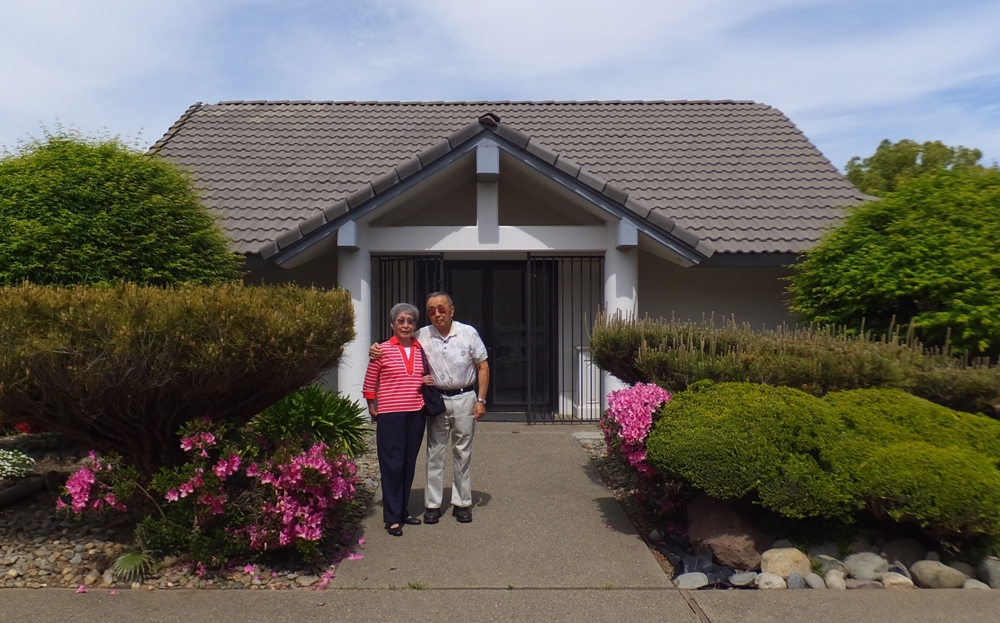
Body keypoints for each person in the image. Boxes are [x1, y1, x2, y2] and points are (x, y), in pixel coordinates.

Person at [370, 291, 489, 524]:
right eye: (431, 310)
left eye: (441, 308)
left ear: (452, 310)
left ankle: (462, 502)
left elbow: (483, 366)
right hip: (436, 400)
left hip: (465, 396)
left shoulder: (468, 333)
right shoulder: (421, 335)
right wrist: (375, 348)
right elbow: (397, 341)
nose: (436, 314)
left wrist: (481, 400)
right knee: (435, 452)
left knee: (462, 452)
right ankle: (432, 504)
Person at [362, 303, 432, 537]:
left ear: (415, 324)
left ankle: (402, 510)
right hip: (391, 414)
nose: (405, 325)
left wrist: (427, 381)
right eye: (400, 321)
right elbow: (370, 381)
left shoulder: (421, 348)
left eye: (410, 321)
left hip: (416, 412)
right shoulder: (381, 350)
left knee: (408, 463)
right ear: (392, 324)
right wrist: (372, 406)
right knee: (392, 464)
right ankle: (391, 518)